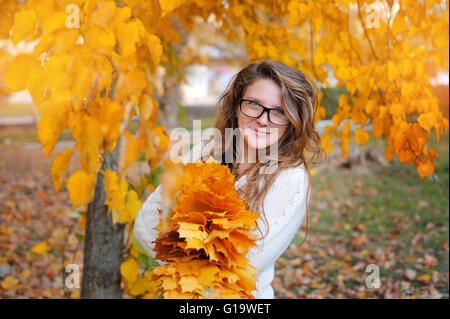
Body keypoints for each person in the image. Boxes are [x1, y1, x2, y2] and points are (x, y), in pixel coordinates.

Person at [133, 60, 323, 299]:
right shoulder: (203, 152)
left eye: (279, 111)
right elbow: (145, 222)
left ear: (292, 121)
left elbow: (246, 262)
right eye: (254, 104)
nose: (264, 119)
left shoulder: (290, 177)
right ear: (236, 106)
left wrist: (180, 245)